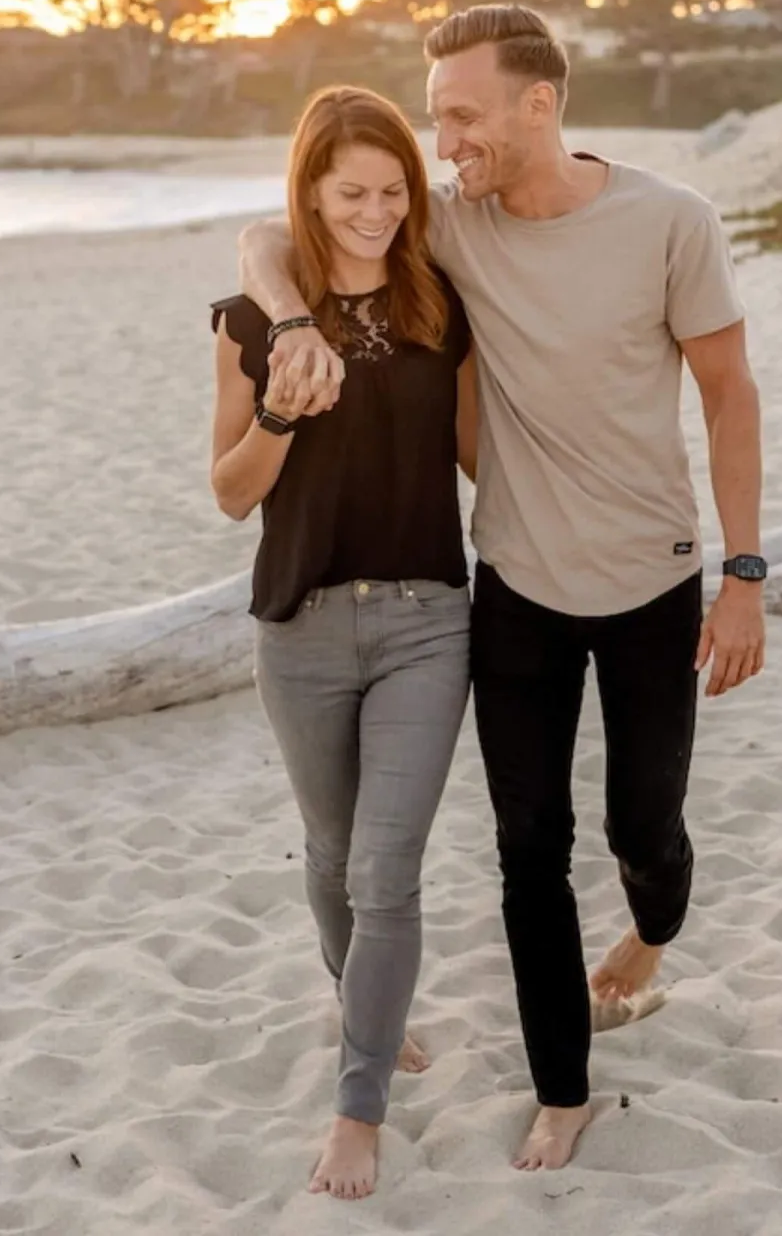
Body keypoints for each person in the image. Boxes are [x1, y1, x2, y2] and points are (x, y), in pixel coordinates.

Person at [237, 4, 766, 1173]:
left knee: (645, 829)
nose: (447, 142)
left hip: (657, 579)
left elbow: (731, 395)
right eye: (438, 118)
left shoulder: (671, 220)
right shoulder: (456, 230)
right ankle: (563, 1085)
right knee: (529, 846)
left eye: (465, 115)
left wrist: (744, 573)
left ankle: (654, 929)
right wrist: (282, 320)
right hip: (516, 586)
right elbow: (276, 237)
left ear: (540, 102)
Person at [209, 84, 479, 1201]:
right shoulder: (251, 316)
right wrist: (278, 406)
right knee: (328, 856)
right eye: (352, 192)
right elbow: (229, 495)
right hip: (301, 626)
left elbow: (483, 460)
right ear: (310, 196)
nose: (375, 211)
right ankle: (362, 995)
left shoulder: (440, 306)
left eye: (393, 191)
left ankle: (357, 1104)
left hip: (427, 619)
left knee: (385, 868)